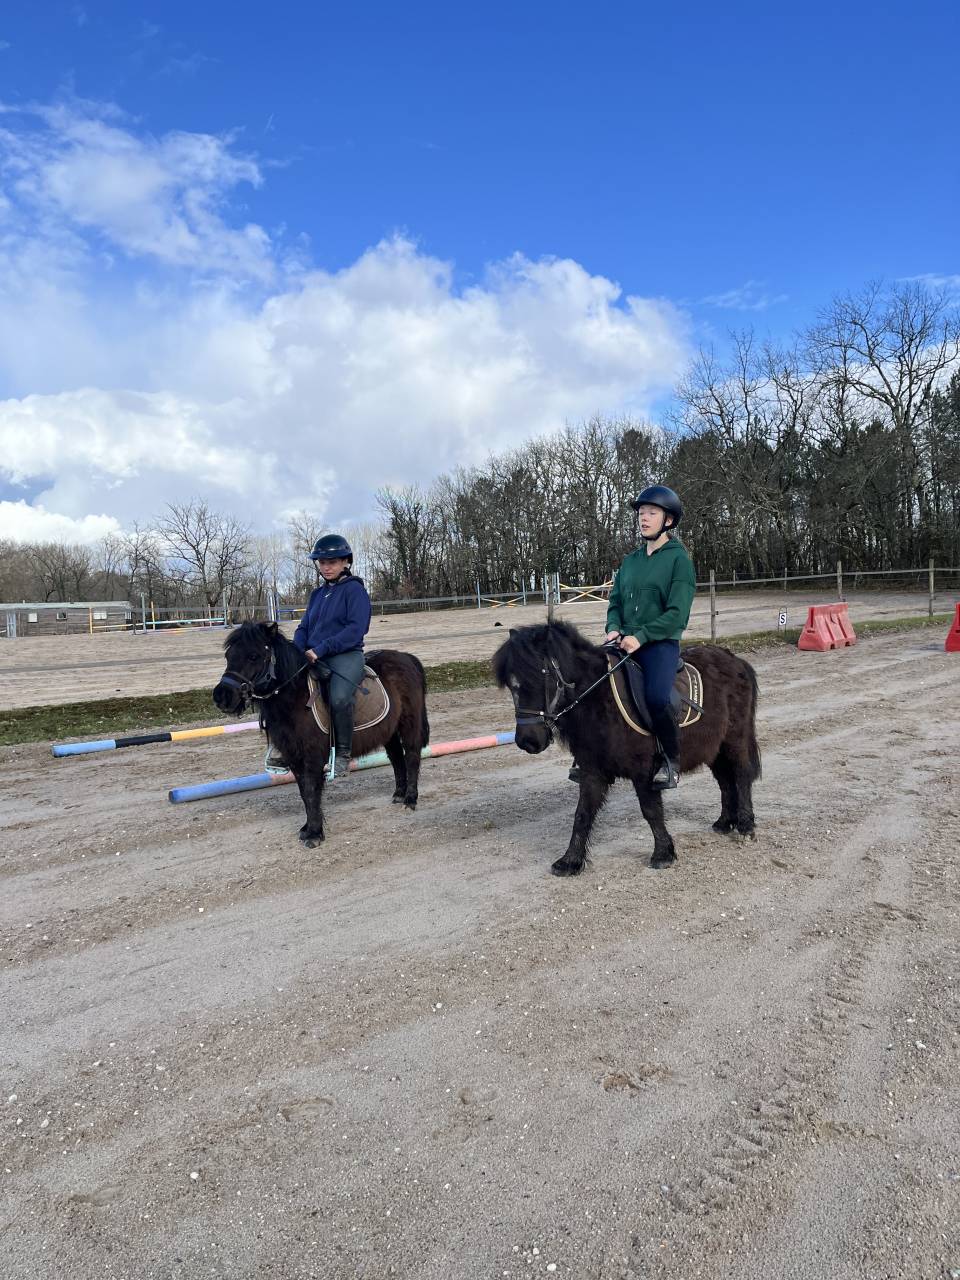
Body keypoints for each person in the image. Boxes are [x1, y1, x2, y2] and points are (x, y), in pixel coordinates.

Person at [569, 485, 695, 789]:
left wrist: (641, 636)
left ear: (668, 520)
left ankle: (670, 759)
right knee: (586, 685)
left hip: (658, 643)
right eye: (641, 513)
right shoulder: (630, 561)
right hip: (622, 640)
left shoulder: (679, 561)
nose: (644, 518)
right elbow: (615, 603)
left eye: (651, 513)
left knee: (657, 697)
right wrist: (613, 626)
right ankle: (588, 755)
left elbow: (677, 614)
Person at [292, 533, 372, 780]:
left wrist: (321, 649)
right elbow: (304, 627)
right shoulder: (317, 594)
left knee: (338, 698)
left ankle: (343, 755)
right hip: (314, 654)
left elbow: (356, 629)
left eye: (333, 562)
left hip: (344, 654)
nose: (326, 567)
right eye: (322, 562)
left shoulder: (355, 591)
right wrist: (298, 648)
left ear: (346, 562)